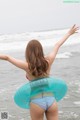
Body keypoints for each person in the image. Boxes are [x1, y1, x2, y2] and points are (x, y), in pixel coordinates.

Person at [0, 25, 79, 120]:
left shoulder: (27, 66)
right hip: (51, 99)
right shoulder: (48, 61)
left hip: (36, 102)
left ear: (28, 52)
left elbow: (7, 57)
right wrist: (69, 33)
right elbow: (57, 45)